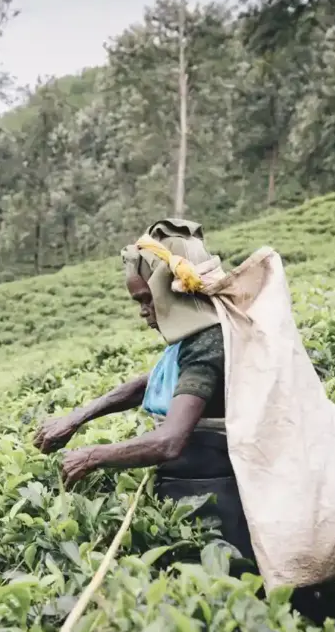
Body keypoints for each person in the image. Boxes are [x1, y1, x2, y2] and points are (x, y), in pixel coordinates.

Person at [33, 219, 256, 569]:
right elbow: (154, 381)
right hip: (189, 487)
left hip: (218, 499)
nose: (142, 312)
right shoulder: (199, 333)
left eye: (146, 300)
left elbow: (169, 441)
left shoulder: (209, 341)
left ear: (172, 293)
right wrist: (78, 417)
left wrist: (92, 456)